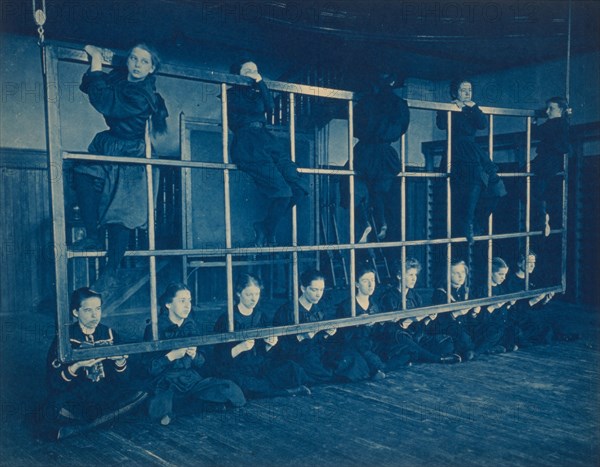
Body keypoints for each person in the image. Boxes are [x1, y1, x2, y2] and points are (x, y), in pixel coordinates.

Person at [73, 43, 168, 291]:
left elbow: (103, 100)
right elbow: (89, 86)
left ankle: (111, 271)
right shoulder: (121, 78)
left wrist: (96, 58)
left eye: (144, 61)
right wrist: (98, 69)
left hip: (133, 152)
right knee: (81, 173)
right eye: (134, 59)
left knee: (122, 215)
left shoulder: (143, 95)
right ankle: (92, 235)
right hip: (110, 144)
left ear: (152, 68)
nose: (137, 65)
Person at [40, 287, 146, 440]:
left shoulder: (109, 333)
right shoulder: (65, 339)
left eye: (98, 309)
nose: (95, 315)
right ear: (76, 312)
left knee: (142, 390)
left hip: (104, 394)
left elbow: (123, 379)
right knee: (53, 407)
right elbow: (53, 383)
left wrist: (120, 361)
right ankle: (103, 421)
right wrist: (77, 366)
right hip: (78, 396)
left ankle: (79, 428)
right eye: (88, 310)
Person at [227, 60, 309, 247]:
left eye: (255, 70)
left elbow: (270, 106)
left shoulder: (257, 93)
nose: (252, 74)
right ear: (237, 75)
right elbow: (253, 108)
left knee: (298, 189)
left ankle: (264, 227)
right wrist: (256, 87)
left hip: (266, 139)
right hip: (248, 143)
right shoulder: (231, 94)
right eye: (247, 70)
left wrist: (260, 84)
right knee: (283, 192)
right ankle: (266, 230)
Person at [143, 283, 246, 426]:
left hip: (191, 380)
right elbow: (149, 368)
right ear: (168, 304)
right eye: (182, 301)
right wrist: (171, 356)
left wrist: (194, 355)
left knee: (230, 390)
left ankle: (182, 409)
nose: (187, 305)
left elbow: (203, 362)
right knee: (159, 404)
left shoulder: (191, 325)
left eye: (189, 300)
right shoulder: (154, 328)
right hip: (167, 381)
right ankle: (200, 406)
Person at [213, 273, 311, 399]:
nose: (254, 299)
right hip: (237, 368)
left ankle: (272, 389)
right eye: (249, 295)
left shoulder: (261, 316)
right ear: (238, 293)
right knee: (239, 383)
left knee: (291, 368)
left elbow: (267, 354)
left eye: (257, 294)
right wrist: (240, 348)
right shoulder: (227, 319)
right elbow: (218, 357)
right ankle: (287, 391)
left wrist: (269, 345)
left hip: (258, 366)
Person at [436, 79, 506, 244]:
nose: (467, 93)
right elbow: (440, 124)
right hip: (456, 150)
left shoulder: (472, 109)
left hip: (472, 150)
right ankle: (467, 223)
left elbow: (482, 124)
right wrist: (451, 108)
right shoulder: (450, 108)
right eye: (463, 90)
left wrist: (473, 107)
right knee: (464, 189)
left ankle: (475, 222)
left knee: (493, 185)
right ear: (455, 93)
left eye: (470, 90)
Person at [352, 72, 410, 240]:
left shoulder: (365, 101)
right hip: (386, 153)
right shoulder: (400, 104)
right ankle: (382, 222)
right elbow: (402, 128)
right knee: (379, 191)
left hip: (366, 151)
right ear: (392, 81)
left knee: (349, 184)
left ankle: (364, 221)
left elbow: (356, 128)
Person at [378, 258, 461, 368]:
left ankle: (421, 355)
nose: (414, 279)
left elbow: (420, 326)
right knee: (405, 343)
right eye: (410, 275)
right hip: (397, 337)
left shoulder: (415, 296)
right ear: (399, 276)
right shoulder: (389, 297)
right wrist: (409, 320)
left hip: (415, 335)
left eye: (415, 275)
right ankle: (437, 359)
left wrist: (427, 318)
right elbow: (388, 328)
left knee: (446, 342)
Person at [272, 269, 336, 385]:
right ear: (303, 288)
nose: (318, 294)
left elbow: (320, 340)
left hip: (316, 352)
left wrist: (326, 334)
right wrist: (301, 337)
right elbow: (278, 346)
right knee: (326, 373)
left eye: (321, 290)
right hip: (296, 354)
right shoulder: (287, 310)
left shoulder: (319, 308)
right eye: (314, 290)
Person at [328, 264, 386, 381]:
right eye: (365, 281)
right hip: (352, 345)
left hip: (370, 344)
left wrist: (379, 323)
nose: (371, 285)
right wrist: (358, 323)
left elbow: (379, 333)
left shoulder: (374, 305)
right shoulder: (346, 306)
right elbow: (341, 336)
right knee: (362, 363)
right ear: (357, 284)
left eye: (372, 280)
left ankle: (375, 368)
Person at [531, 96, 571, 236]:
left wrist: (534, 119)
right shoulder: (562, 123)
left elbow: (535, 133)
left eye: (551, 108)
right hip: (550, 163)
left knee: (535, 191)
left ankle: (543, 219)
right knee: (539, 192)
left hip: (545, 163)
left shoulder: (554, 123)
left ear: (560, 110)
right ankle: (543, 218)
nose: (547, 111)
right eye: (547, 108)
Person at [504, 251, 559, 347]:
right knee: (519, 333)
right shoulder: (510, 281)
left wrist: (544, 300)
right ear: (519, 263)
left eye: (534, 263)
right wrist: (534, 300)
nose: (532, 266)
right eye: (529, 263)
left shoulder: (531, 280)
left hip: (527, 317)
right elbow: (512, 308)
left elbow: (534, 307)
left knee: (547, 327)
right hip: (515, 318)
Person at [429, 259, 476, 360]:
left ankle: (469, 351)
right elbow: (439, 322)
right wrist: (455, 314)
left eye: (463, 272)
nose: (461, 276)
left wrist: (474, 313)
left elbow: (471, 318)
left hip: (465, 326)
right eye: (456, 273)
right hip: (448, 328)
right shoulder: (441, 293)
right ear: (448, 275)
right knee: (460, 336)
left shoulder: (465, 291)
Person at [470, 257, 517, 354]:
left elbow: (504, 313)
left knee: (514, 331)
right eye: (500, 274)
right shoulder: (480, 290)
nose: (503, 277)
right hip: (484, 326)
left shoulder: (502, 288)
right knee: (495, 333)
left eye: (505, 274)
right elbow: (477, 319)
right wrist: (492, 307)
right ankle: (477, 352)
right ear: (490, 273)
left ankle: (492, 347)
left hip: (499, 324)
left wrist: (509, 305)